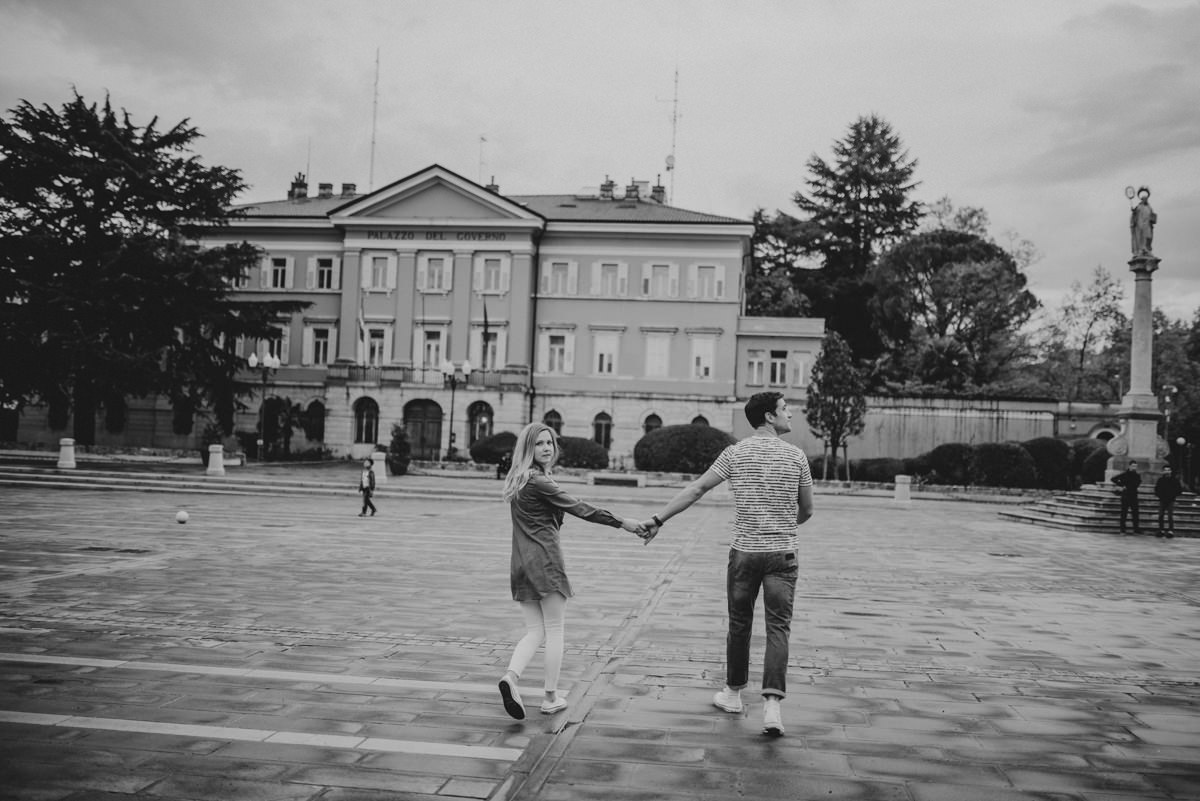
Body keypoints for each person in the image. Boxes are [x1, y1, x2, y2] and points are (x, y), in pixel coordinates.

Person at [638, 391, 814, 737]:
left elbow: (696, 489)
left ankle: (733, 694)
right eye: (784, 409)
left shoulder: (734, 453)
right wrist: (782, 526)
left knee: (739, 623)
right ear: (767, 416)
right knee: (778, 627)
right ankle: (772, 707)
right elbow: (807, 509)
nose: (790, 414)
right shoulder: (796, 457)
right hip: (783, 555)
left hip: (744, 553)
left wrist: (658, 519)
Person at [497, 422, 646, 720]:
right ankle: (550, 696)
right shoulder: (539, 481)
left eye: (550, 442)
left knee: (535, 630)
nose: (547, 448)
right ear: (528, 448)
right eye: (539, 443)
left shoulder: (518, 479)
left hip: (520, 564)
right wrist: (622, 522)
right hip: (545, 562)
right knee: (554, 630)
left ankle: (511, 678)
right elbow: (581, 508)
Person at [1112, 461, 1141, 535]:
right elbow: (1113, 479)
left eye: (1135, 466)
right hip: (1126, 496)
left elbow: (1138, 483)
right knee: (1124, 513)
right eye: (1133, 466)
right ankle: (1122, 530)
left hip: (1134, 496)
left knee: (1135, 514)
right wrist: (1121, 485)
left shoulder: (1137, 475)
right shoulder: (1124, 474)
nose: (1134, 467)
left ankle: (1136, 530)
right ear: (1129, 466)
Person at [1154, 466, 1182, 539]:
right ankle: (1161, 530)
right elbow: (1156, 489)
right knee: (1160, 515)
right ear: (1163, 471)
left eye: (1168, 470)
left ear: (1171, 471)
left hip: (1171, 500)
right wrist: (1160, 495)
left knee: (1170, 516)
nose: (1167, 471)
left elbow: (1179, 490)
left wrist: (1173, 495)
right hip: (1162, 500)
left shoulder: (1175, 480)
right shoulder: (1160, 480)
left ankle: (1170, 531)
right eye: (1165, 470)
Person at [1130, 186, 1157, 256]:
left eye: (1146, 198)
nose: (1145, 200)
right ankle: (1141, 249)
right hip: (1141, 224)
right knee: (1141, 237)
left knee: (1148, 237)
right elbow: (1134, 216)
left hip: (1148, 225)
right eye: (1144, 199)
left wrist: (1153, 219)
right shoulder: (1139, 207)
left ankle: (1147, 249)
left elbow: (1152, 216)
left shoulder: (1149, 207)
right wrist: (1134, 212)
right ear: (1142, 199)